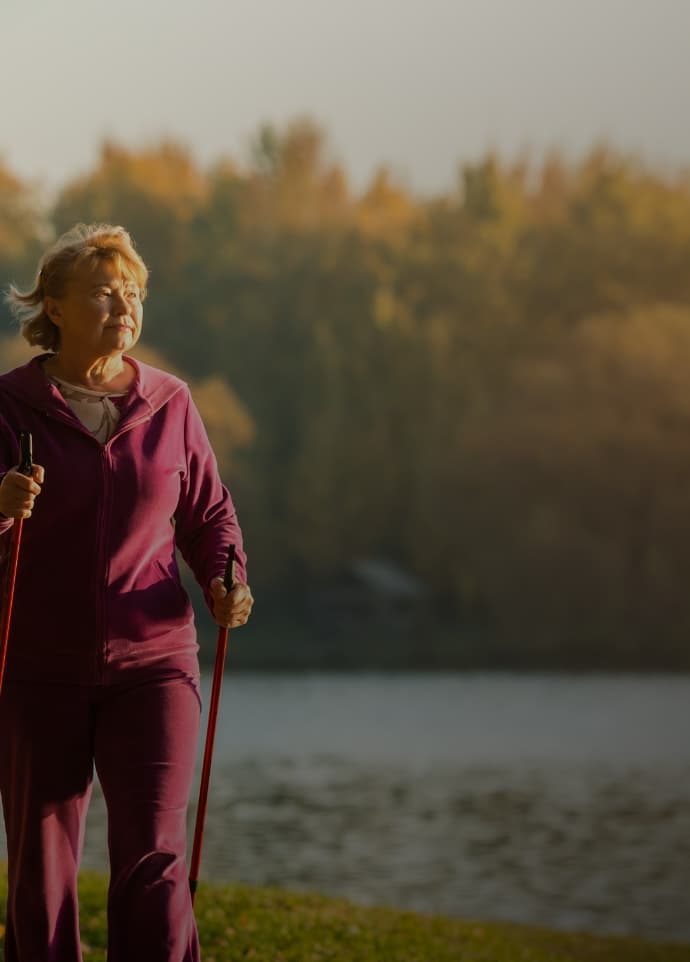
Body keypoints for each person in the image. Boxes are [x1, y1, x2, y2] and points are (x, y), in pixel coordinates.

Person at [0, 222, 254, 961]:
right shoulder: (8, 404)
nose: (125, 307)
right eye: (106, 293)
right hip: (36, 664)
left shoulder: (170, 403)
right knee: (41, 869)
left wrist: (224, 574)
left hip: (154, 663)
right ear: (53, 304)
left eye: (134, 293)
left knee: (153, 853)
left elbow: (209, 513)